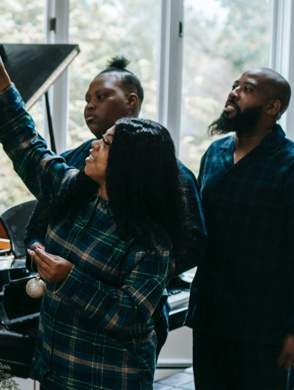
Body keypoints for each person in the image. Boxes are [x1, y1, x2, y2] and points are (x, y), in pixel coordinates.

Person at [0, 41, 187, 389]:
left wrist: (70, 278)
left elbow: (131, 316)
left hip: (108, 378)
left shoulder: (152, 241)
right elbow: (27, 144)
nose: (95, 145)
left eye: (108, 144)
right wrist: (1, 81)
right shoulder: (71, 187)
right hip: (56, 368)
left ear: (130, 167)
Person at [23, 56, 207, 357]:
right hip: (64, 318)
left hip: (125, 325)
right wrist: (37, 252)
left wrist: (123, 275)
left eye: (101, 96)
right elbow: (38, 224)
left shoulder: (169, 174)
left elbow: (194, 242)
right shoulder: (72, 160)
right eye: (87, 99)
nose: (90, 106)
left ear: (131, 101)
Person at [187, 68, 294, 389]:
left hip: (264, 331)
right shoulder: (214, 154)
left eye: (247, 89)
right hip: (210, 319)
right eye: (234, 85)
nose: (234, 92)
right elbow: (197, 232)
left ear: (272, 107)